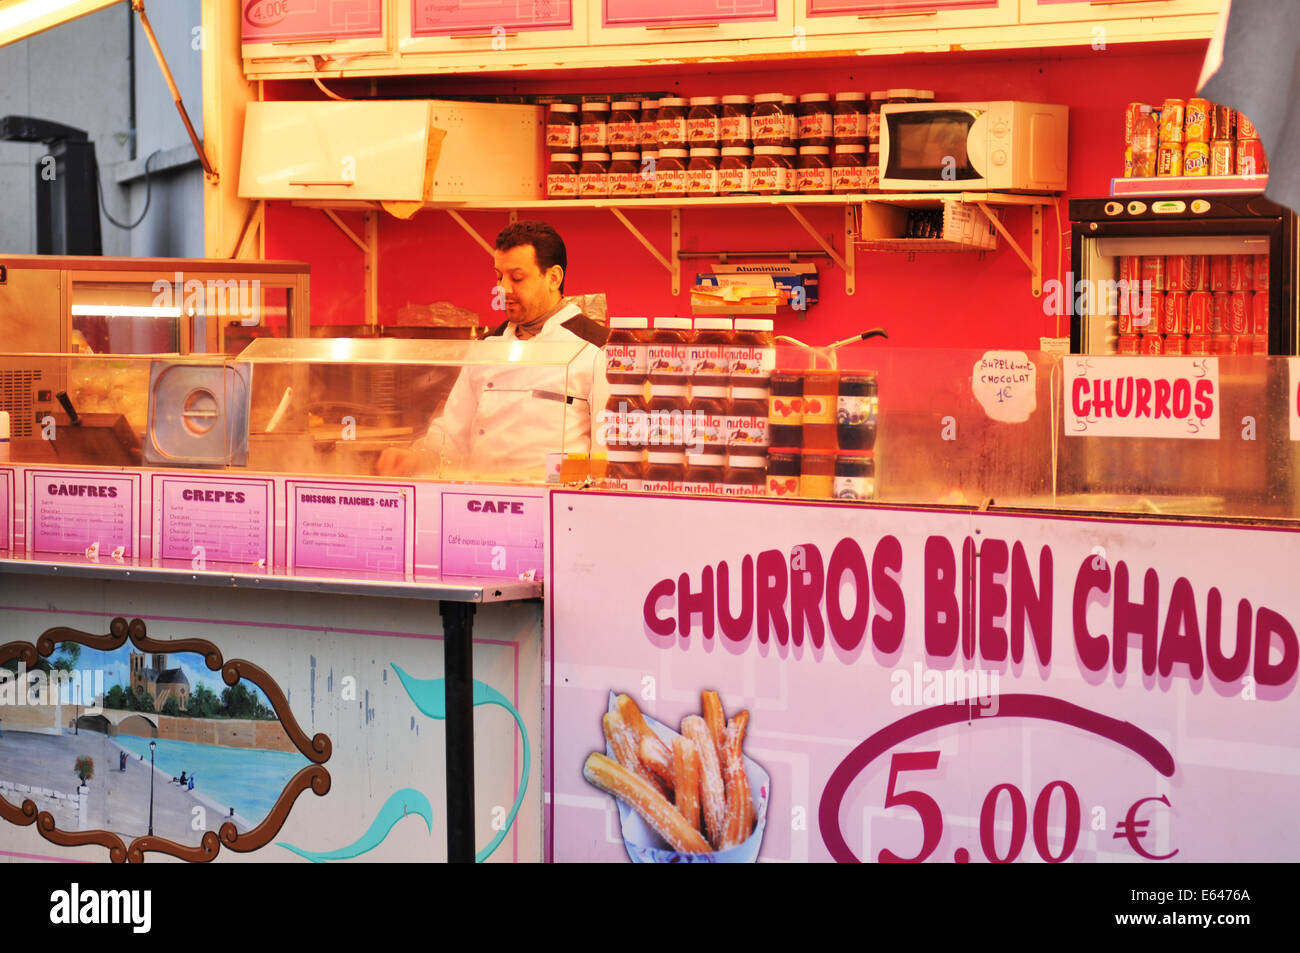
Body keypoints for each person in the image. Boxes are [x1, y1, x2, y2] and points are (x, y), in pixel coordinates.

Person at [375, 221, 609, 480]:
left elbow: (607, 455)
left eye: (517, 278)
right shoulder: (487, 348)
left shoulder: (597, 348)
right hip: (483, 498)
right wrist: (416, 457)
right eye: (499, 276)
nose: (504, 289)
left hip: (558, 503)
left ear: (553, 278)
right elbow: (451, 435)